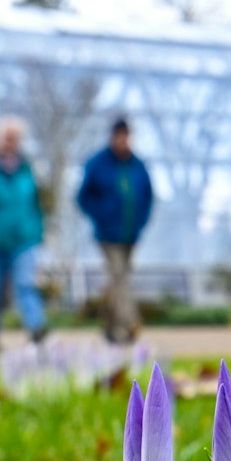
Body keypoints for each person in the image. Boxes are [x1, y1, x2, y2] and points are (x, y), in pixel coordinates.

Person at [0, 116, 49, 351]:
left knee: (26, 284)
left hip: (24, 239)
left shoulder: (25, 169)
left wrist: (38, 232)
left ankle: (36, 328)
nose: (11, 142)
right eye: (7, 137)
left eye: (15, 138)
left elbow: (34, 204)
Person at [76, 117, 156, 344]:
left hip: (131, 233)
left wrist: (141, 221)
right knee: (119, 275)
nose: (123, 141)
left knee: (118, 278)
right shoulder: (98, 163)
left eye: (126, 137)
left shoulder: (137, 165)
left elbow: (148, 196)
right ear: (112, 137)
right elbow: (83, 197)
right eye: (119, 137)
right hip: (107, 233)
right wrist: (101, 216)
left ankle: (110, 326)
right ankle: (130, 323)